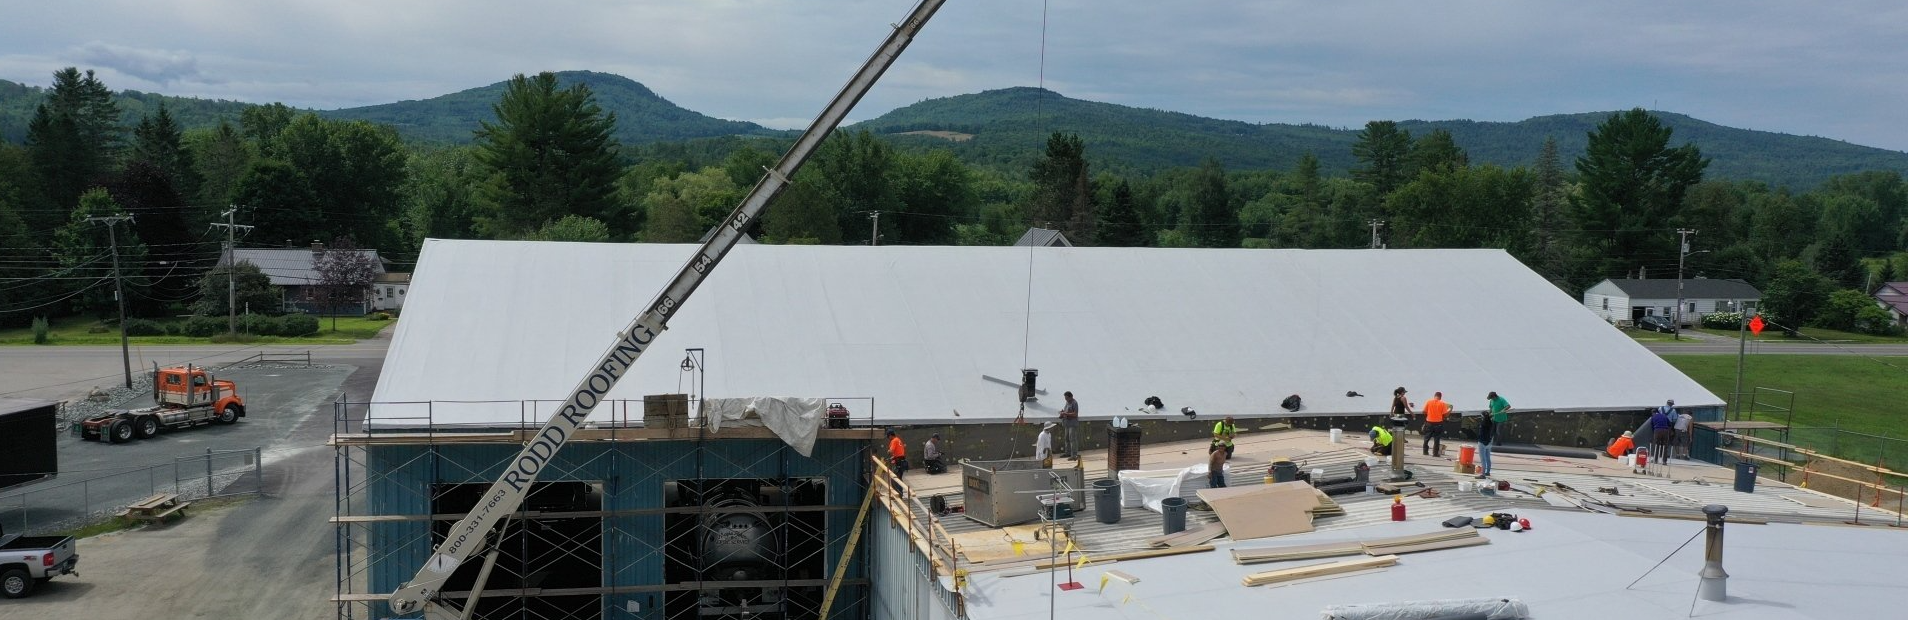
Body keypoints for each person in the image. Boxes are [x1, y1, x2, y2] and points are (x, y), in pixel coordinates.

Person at [1422, 391, 1450, 457]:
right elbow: (1445, 415)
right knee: (1437, 439)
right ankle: (1435, 453)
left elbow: (1423, 411)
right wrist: (1449, 410)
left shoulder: (1429, 402)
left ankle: (1425, 451)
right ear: (1440, 397)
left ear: (1434, 396)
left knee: (1426, 438)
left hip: (1429, 422)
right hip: (1438, 423)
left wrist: (1428, 415)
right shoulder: (1443, 403)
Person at [1058, 391, 1081, 460]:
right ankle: (1067, 452)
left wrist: (1065, 413)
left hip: (1072, 424)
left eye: (1067, 398)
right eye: (1065, 398)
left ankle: (1074, 454)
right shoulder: (1067, 402)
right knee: (1066, 439)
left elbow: (1075, 414)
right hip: (1067, 424)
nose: (1066, 400)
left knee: (1072, 439)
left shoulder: (1074, 403)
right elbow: (1066, 411)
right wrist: (1062, 413)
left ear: (1071, 397)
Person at [1475, 414, 1496, 479]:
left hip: (1482, 443)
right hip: (1489, 442)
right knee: (1488, 458)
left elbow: (1480, 434)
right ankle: (1488, 472)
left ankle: (1483, 474)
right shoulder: (1491, 423)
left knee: (1483, 459)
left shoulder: (1482, 424)